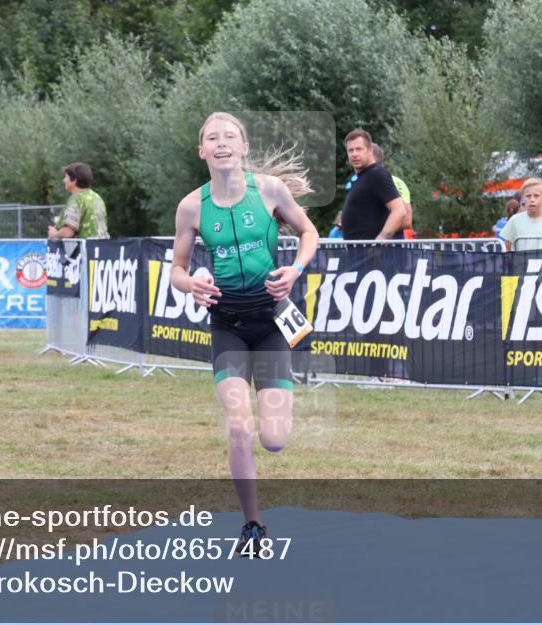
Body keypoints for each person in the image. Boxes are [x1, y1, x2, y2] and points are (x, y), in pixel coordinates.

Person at [170, 112, 318, 555]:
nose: (221, 143)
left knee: (273, 440)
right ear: (202, 150)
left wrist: (295, 269)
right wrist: (191, 284)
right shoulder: (191, 206)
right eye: (213, 138)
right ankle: (252, 524)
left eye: (230, 136)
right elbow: (176, 269)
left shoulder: (269, 190)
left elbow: (309, 232)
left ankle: (276, 417)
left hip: (271, 324)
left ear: (244, 147)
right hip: (227, 326)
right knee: (238, 425)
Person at [340, 130, 405, 240]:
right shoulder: (362, 177)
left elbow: (399, 210)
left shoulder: (377, 174)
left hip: (371, 249)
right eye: (350, 150)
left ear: (370, 150)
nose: (354, 154)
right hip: (358, 249)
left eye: (359, 149)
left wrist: (380, 240)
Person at [500, 178, 542, 252]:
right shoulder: (514, 220)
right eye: (528, 196)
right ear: (523, 197)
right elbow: (507, 248)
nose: (532, 200)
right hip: (522, 260)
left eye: (536, 196)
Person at [48, 162, 110, 239]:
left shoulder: (77, 199)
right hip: (102, 245)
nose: (64, 180)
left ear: (74, 180)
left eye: (66, 177)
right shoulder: (96, 197)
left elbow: (68, 232)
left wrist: (54, 233)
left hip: (86, 246)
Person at [371, 144, 413, 238]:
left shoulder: (396, 182)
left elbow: (407, 221)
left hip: (390, 240)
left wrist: (379, 232)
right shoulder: (360, 182)